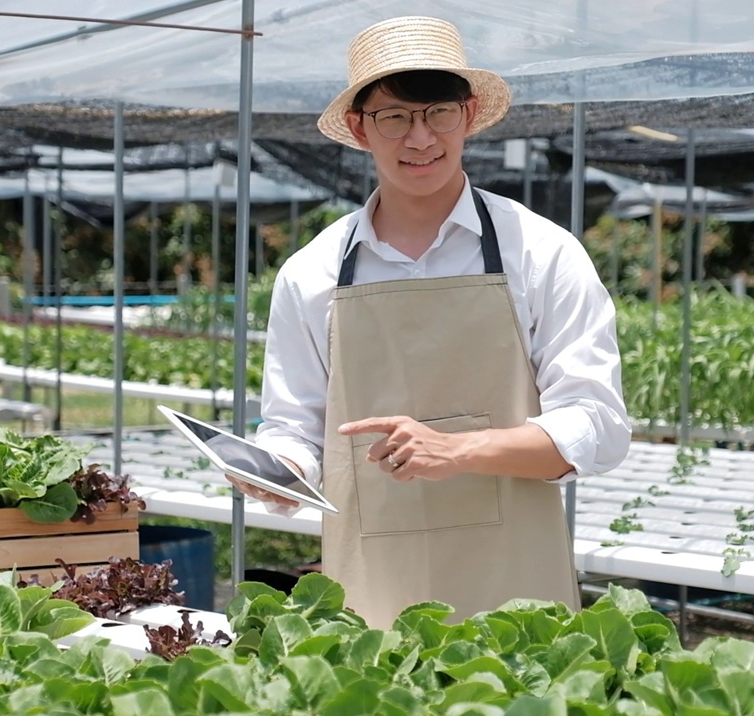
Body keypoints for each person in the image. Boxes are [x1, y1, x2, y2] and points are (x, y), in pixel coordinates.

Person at [242, 15, 631, 629]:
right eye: (394, 117)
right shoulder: (311, 273)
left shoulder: (540, 252)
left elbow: (598, 425)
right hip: (370, 580)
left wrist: (458, 450)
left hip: (514, 590)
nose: (419, 138)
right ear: (358, 127)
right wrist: (280, 468)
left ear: (469, 114)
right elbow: (294, 424)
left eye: (438, 113)